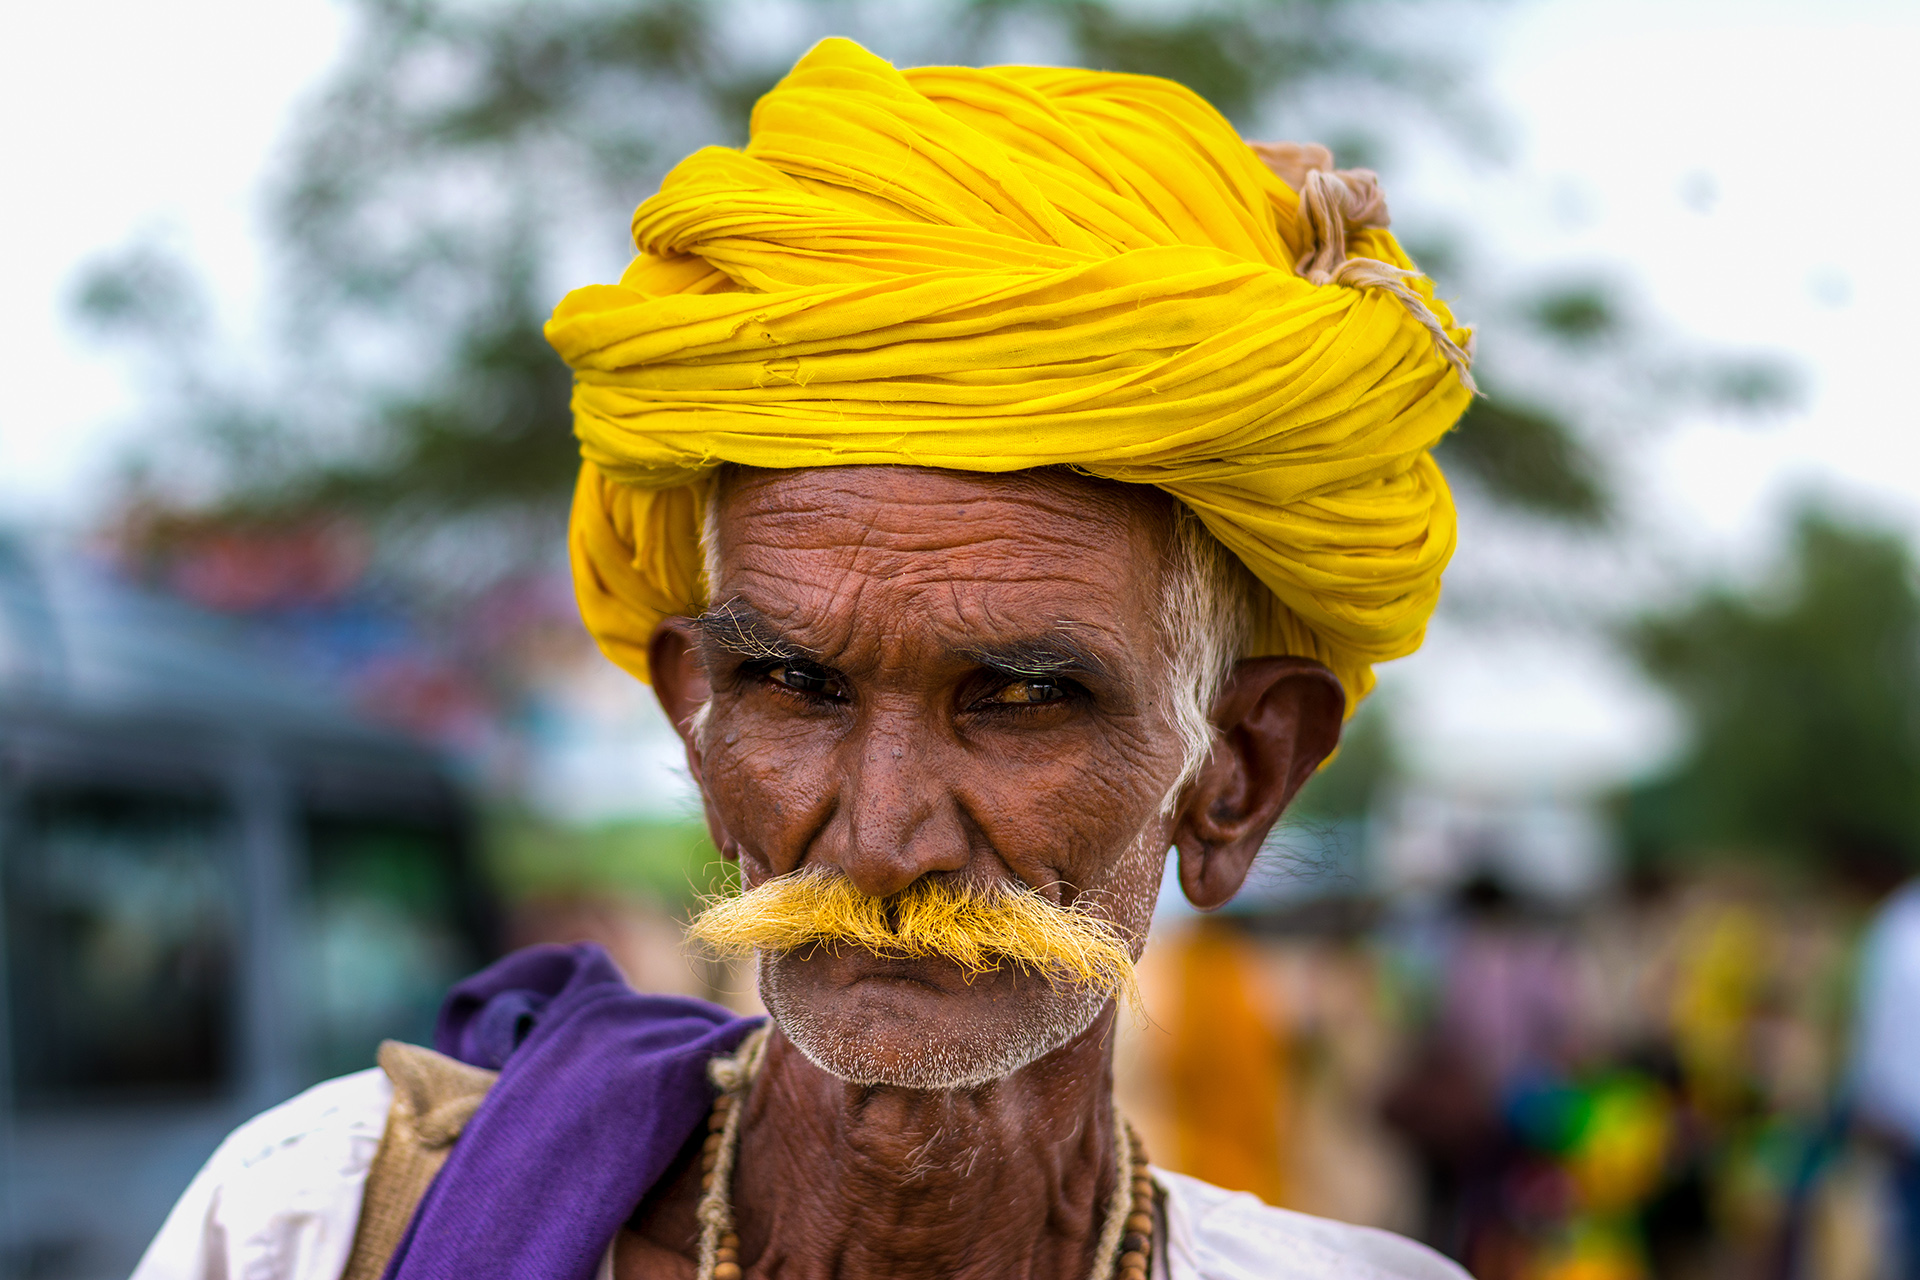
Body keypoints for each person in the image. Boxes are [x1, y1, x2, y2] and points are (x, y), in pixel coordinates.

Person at [133, 37, 1475, 1280]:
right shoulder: (313, 1225)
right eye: (793, 687)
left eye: (1018, 701)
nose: (887, 840)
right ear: (694, 730)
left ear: (1238, 773)